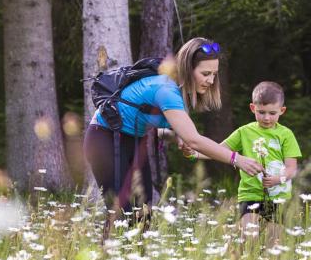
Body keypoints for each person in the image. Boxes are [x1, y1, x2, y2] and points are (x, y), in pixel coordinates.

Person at [84, 36, 262, 218]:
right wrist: (237, 159)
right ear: (187, 70)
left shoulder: (179, 92)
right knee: (122, 214)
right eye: (205, 74)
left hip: (133, 141)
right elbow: (194, 139)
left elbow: (163, 127)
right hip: (105, 140)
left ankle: (136, 246)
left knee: (142, 215)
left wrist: (176, 137)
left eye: (214, 74)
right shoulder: (166, 90)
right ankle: (106, 247)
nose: (211, 80)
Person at [222, 81, 303, 226]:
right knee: (248, 237)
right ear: (253, 108)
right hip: (250, 194)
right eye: (261, 112)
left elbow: (292, 169)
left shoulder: (286, 134)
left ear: (282, 110)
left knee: (274, 243)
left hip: (278, 196)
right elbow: (218, 150)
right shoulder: (244, 132)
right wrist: (194, 153)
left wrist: (278, 179)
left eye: (272, 113)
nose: (267, 118)